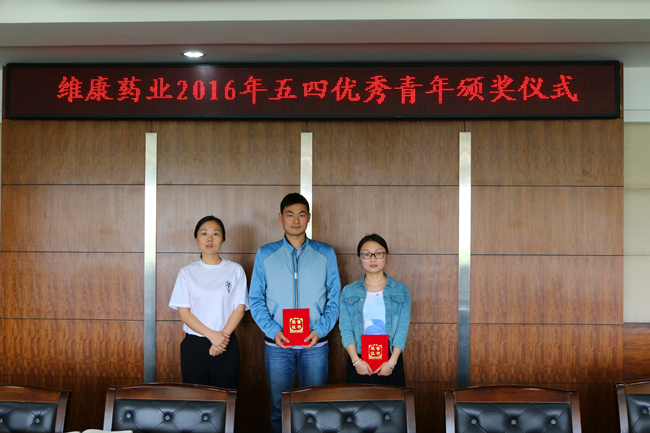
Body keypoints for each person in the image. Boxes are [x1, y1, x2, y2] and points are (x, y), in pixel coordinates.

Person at [249, 193, 341, 433]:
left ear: (308, 217)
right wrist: (273, 331)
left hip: (315, 344)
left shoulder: (326, 253)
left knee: (315, 406)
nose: (296, 220)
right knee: (279, 407)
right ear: (281, 217)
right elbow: (255, 299)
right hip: (278, 345)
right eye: (290, 215)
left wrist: (320, 330)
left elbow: (335, 298)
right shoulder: (265, 254)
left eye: (301, 215)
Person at [168, 215, 249, 388]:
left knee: (226, 396)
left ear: (223, 240)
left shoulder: (235, 270)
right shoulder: (187, 272)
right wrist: (213, 337)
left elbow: (240, 308)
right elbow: (184, 313)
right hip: (195, 345)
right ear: (196, 239)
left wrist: (221, 339)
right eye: (204, 233)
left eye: (215, 234)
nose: (210, 238)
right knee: (196, 397)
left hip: (226, 342)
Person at [338, 234, 411, 386]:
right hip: (359, 359)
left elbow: (402, 329)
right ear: (360, 257)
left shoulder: (400, 290)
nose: (373, 259)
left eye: (378, 253)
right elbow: (346, 328)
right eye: (366, 254)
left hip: (390, 359)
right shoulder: (349, 291)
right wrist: (356, 361)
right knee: (359, 401)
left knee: (392, 401)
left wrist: (391, 363)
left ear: (386, 255)